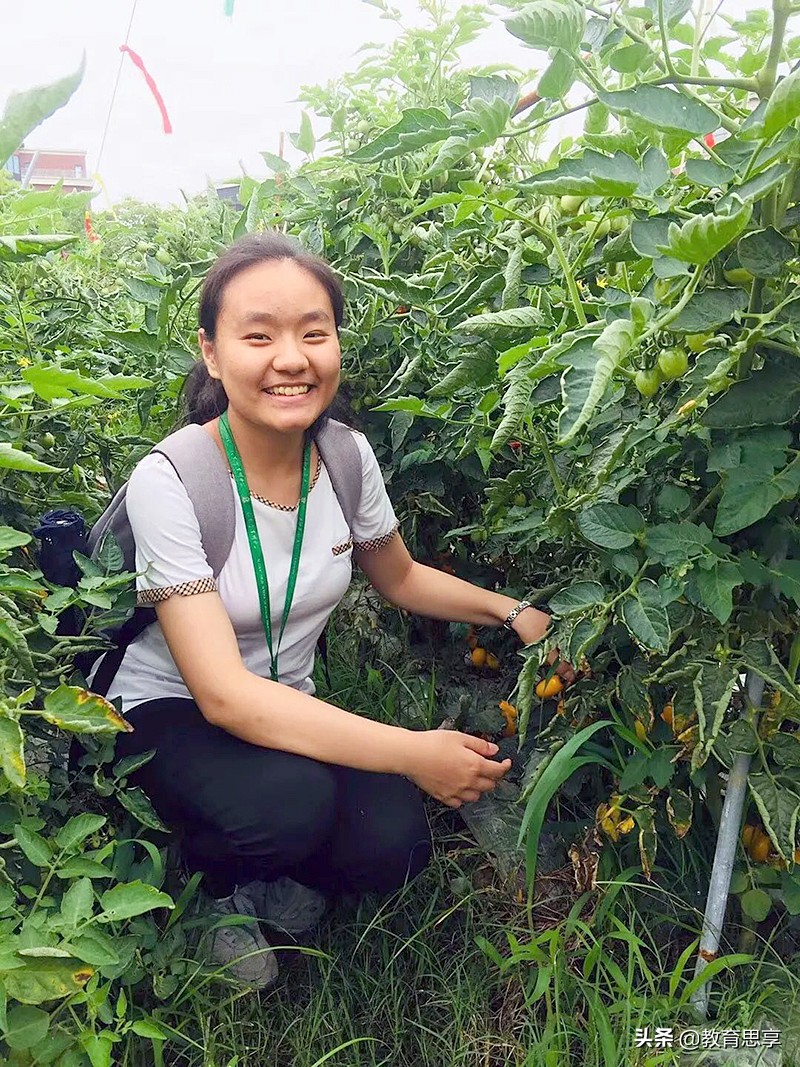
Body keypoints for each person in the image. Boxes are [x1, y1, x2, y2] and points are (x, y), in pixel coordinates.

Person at [92, 232, 571, 989]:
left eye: (314, 332)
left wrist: (513, 612)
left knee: (394, 842)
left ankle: (269, 863)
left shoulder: (344, 456)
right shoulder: (174, 478)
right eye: (259, 335)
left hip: (286, 706)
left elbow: (402, 576)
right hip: (168, 709)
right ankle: (203, 891)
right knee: (292, 801)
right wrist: (413, 751)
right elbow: (223, 694)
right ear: (212, 353)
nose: (292, 358)